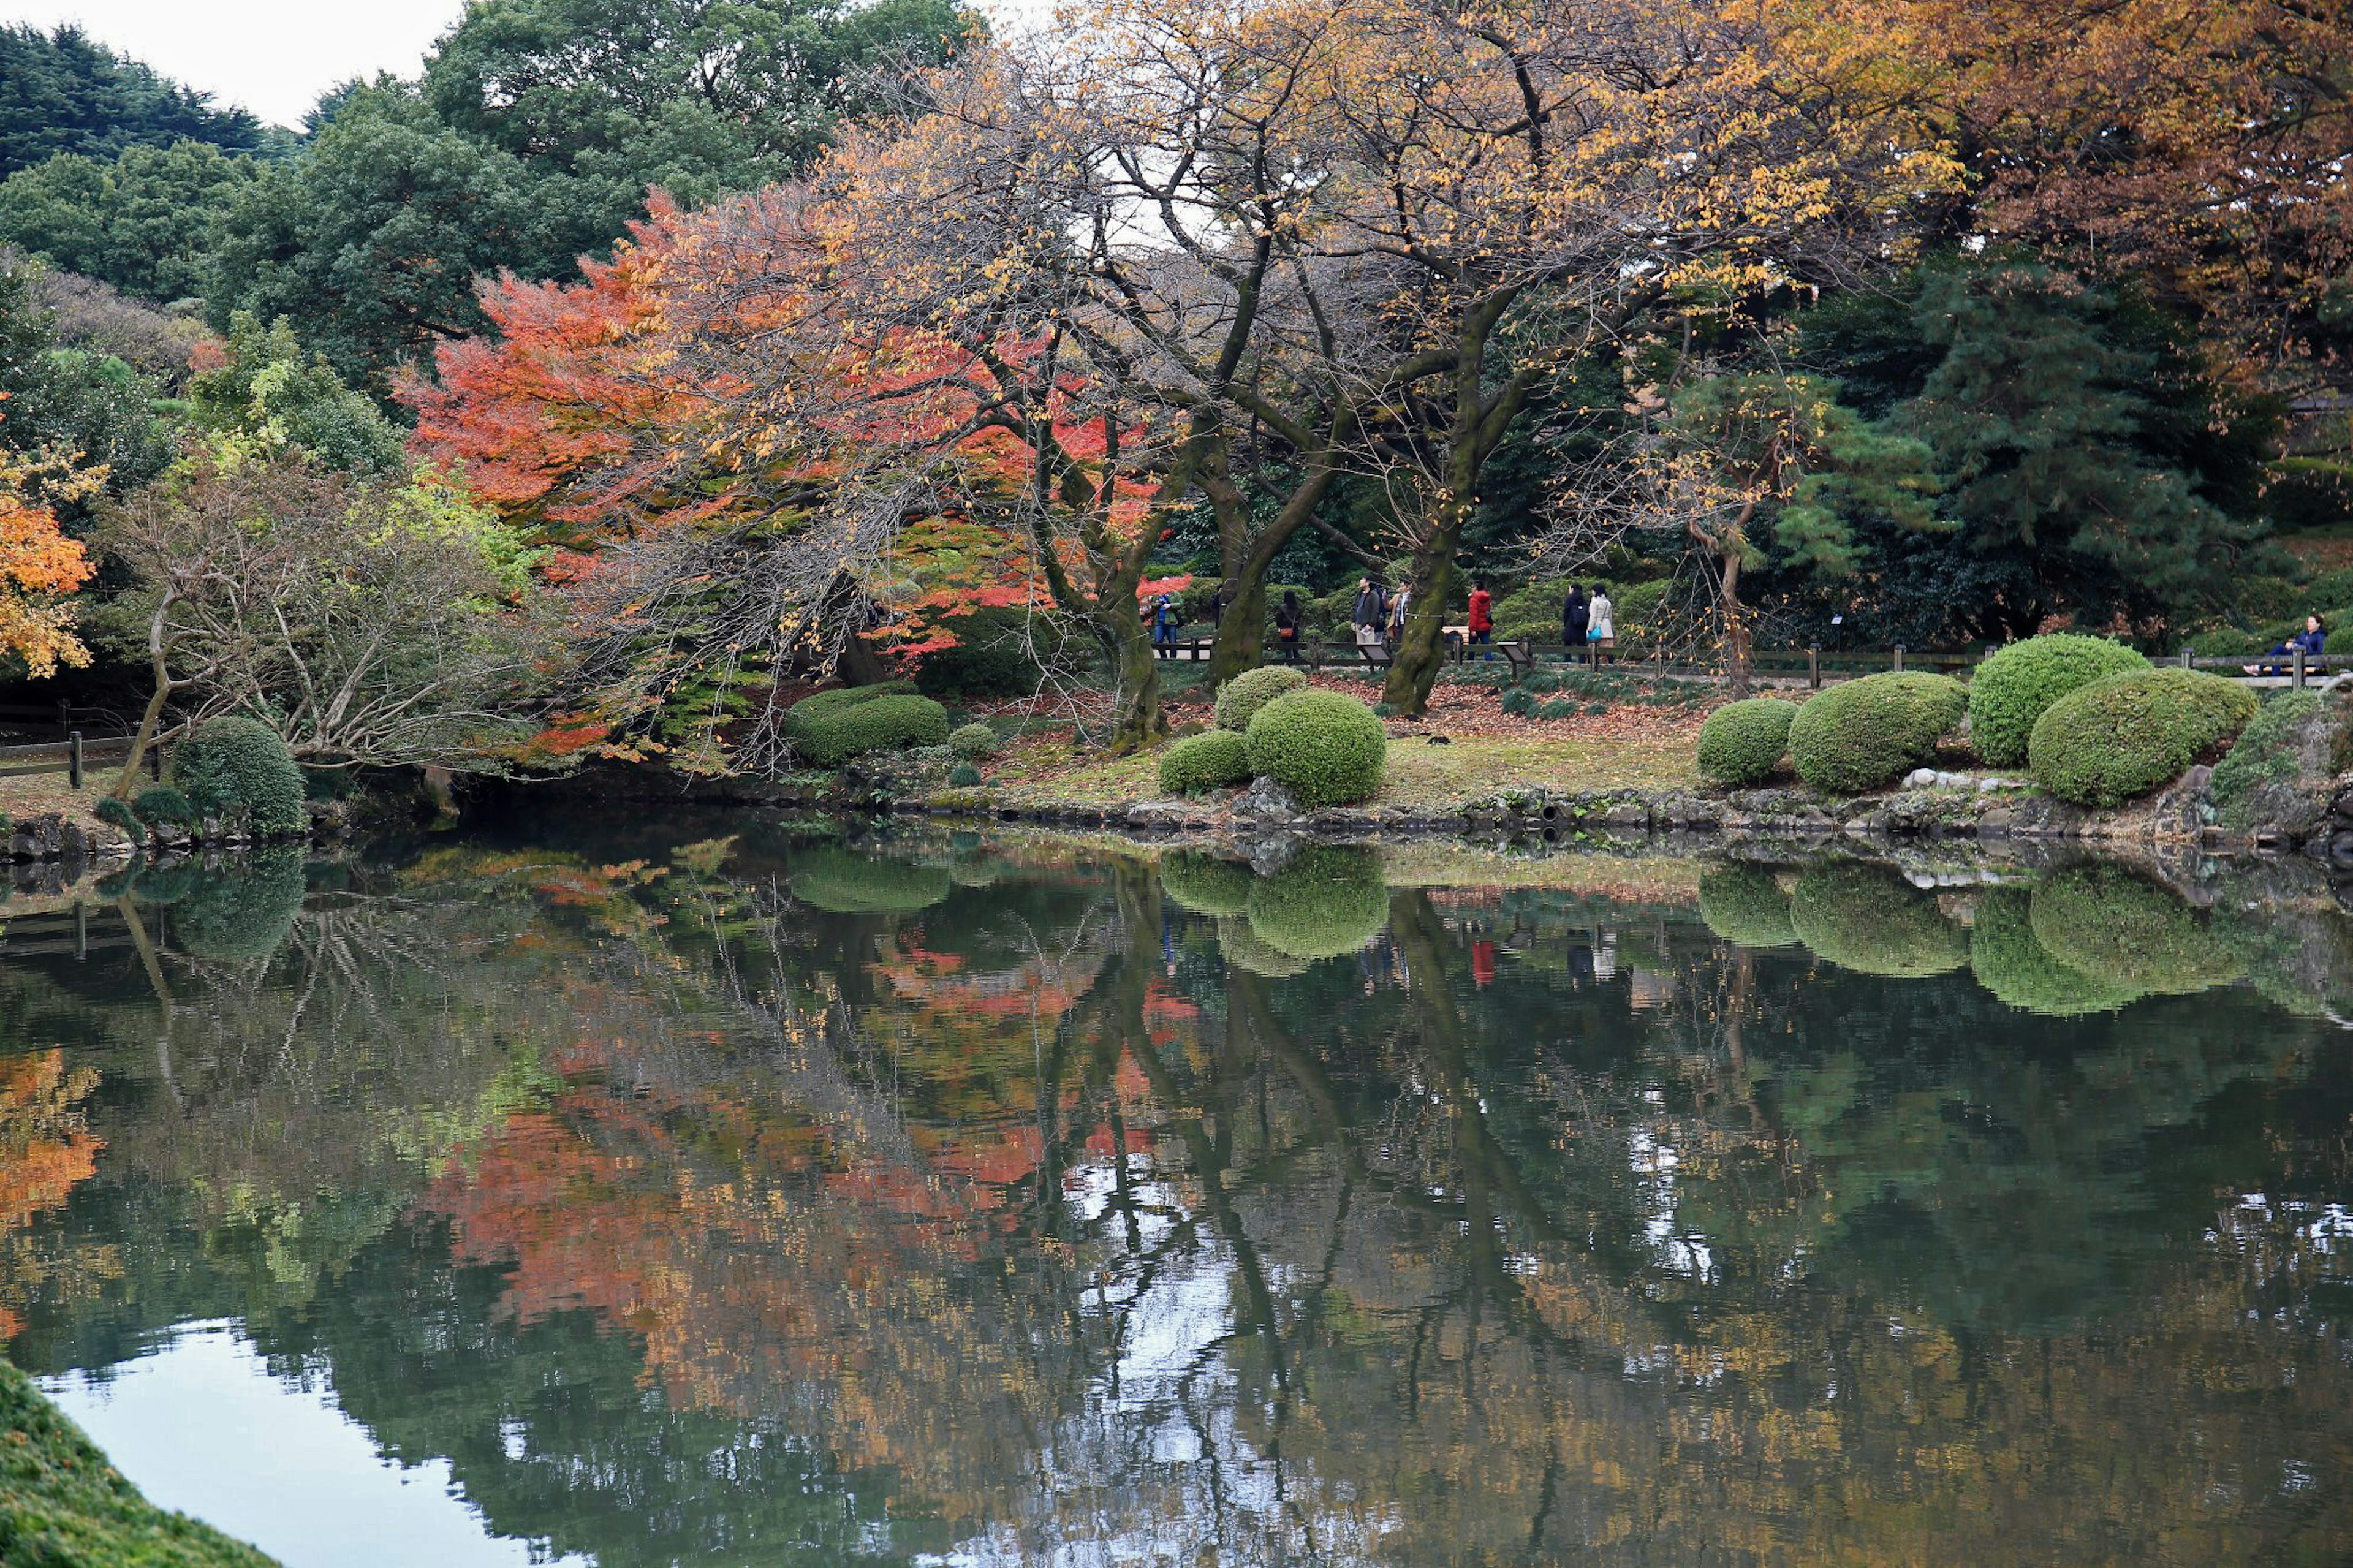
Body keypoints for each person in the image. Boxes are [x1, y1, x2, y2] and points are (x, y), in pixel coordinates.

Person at [2248, 614, 2327, 676]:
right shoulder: (2304, 634)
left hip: (2305, 658)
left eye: (2312, 622)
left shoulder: (2320, 636)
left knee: (2278, 648)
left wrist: (2306, 652)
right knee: (2277, 658)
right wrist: (2292, 644)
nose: (2309, 624)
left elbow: (2320, 652)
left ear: (2318, 624)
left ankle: (2259, 667)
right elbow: (2298, 642)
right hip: (2294, 655)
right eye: (2308, 622)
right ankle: (2275, 685)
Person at [1352, 577, 1385, 648]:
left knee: (1370, 647)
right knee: (1361, 648)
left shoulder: (1374, 595)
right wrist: (1353, 621)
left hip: (1368, 626)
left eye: (1362, 579)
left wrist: (1371, 624)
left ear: (1368, 582)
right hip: (1358, 624)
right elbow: (1355, 608)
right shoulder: (1359, 594)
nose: (1360, 581)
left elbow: (1375, 611)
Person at [1586, 583, 1615, 665]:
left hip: (1598, 628)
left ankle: (1593, 666)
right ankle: (1611, 665)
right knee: (1609, 650)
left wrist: (1590, 629)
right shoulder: (1608, 602)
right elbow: (1610, 617)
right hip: (1607, 627)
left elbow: (1593, 617)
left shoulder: (1594, 602)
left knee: (1594, 649)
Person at [1466, 578, 1493, 659]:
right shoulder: (1486, 597)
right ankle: (1490, 664)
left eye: (1472, 587)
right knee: (1487, 647)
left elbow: (1474, 615)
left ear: (1476, 588)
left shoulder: (1474, 599)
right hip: (1486, 625)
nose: (1471, 589)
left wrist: (1473, 629)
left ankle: (1469, 664)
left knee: (1471, 648)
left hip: (1477, 626)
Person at [1275, 589, 1303, 662]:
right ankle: (1297, 660)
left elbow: (1278, 618)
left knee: (1287, 646)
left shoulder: (1282, 607)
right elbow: (1300, 617)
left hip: (1285, 628)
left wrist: (1279, 626)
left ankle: (1289, 661)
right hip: (1294, 628)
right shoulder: (1298, 608)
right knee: (1295, 645)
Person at [1562, 583, 1588, 660]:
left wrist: (1565, 623)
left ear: (1573, 589)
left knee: (1567, 643)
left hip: (1571, 624)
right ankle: (1582, 661)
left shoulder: (1570, 599)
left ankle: (1568, 660)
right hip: (1582, 625)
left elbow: (1566, 612)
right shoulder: (1584, 600)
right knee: (1582, 644)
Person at [1151, 594, 1178, 658]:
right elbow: (1152, 605)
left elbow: (1181, 604)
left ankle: (1173, 659)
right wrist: (1158, 604)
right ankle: (1164, 658)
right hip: (1159, 622)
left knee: (1172, 642)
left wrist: (1170, 605)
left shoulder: (1174, 594)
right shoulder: (1157, 595)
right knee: (1158, 641)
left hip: (1171, 622)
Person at [1387, 581, 1413, 645]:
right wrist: (1385, 599)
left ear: (1408, 587)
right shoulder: (1397, 596)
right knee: (1399, 641)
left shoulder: (1412, 597)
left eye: (1403, 586)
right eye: (1401, 586)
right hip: (1398, 622)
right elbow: (1388, 606)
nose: (1401, 588)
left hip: (1408, 622)